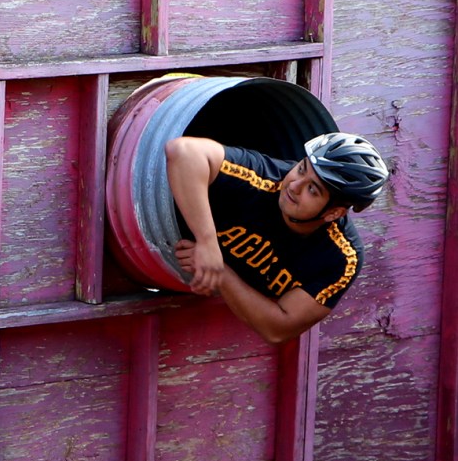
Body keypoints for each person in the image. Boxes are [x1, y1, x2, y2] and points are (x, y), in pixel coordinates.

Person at [167, 131, 389, 345]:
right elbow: (183, 151)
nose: (293, 185)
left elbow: (279, 328)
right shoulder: (264, 178)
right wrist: (207, 242)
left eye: (312, 190)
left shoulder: (341, 258)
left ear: (334, 213)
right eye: (301, 169)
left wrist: (221, 273)